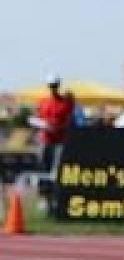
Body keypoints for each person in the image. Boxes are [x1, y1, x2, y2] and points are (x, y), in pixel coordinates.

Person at [34, 74, 74, 210]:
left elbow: (69, 120)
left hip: (60, 142)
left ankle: (57, 199)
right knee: (43, 169)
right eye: (51, 86)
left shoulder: (66, 102)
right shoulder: (43, 102)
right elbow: (37, 118)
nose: (53, 88)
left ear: (58, 86)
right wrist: (42, 125)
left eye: (55, 86)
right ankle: (45, 199)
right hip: (45, 141)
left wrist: (58, 127)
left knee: (58, 170)